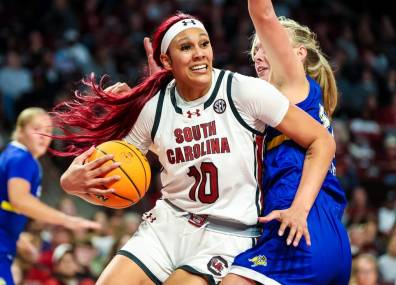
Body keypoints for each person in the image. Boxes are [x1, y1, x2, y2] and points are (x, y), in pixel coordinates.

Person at [52, 12, 336, 285]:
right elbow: (110, 169)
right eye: (186, 47)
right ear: (166, 59)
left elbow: (322, 139)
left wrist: (300, 209)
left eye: (204, 43)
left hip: (226, 233)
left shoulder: (243, 90)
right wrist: (70, 183)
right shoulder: (155, 109)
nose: (199, 53)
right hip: (166, 226)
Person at [220, 1, 351, 284]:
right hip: (330, 238)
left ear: (298, 54)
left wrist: (298, 210)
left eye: (265, 45)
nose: (257, 54)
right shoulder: (284, 111)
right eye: (254, 50)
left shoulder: (293, 84)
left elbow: (262, 12)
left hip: (299, 231)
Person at [0, 107, 101, 285]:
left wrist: (18, 238)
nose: (43, 135)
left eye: (47, 131)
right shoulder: (21, 158)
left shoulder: (13, 156)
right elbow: (20, 200)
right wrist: (66, 220)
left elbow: (9, 205)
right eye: (37, 129)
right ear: (20, 130)